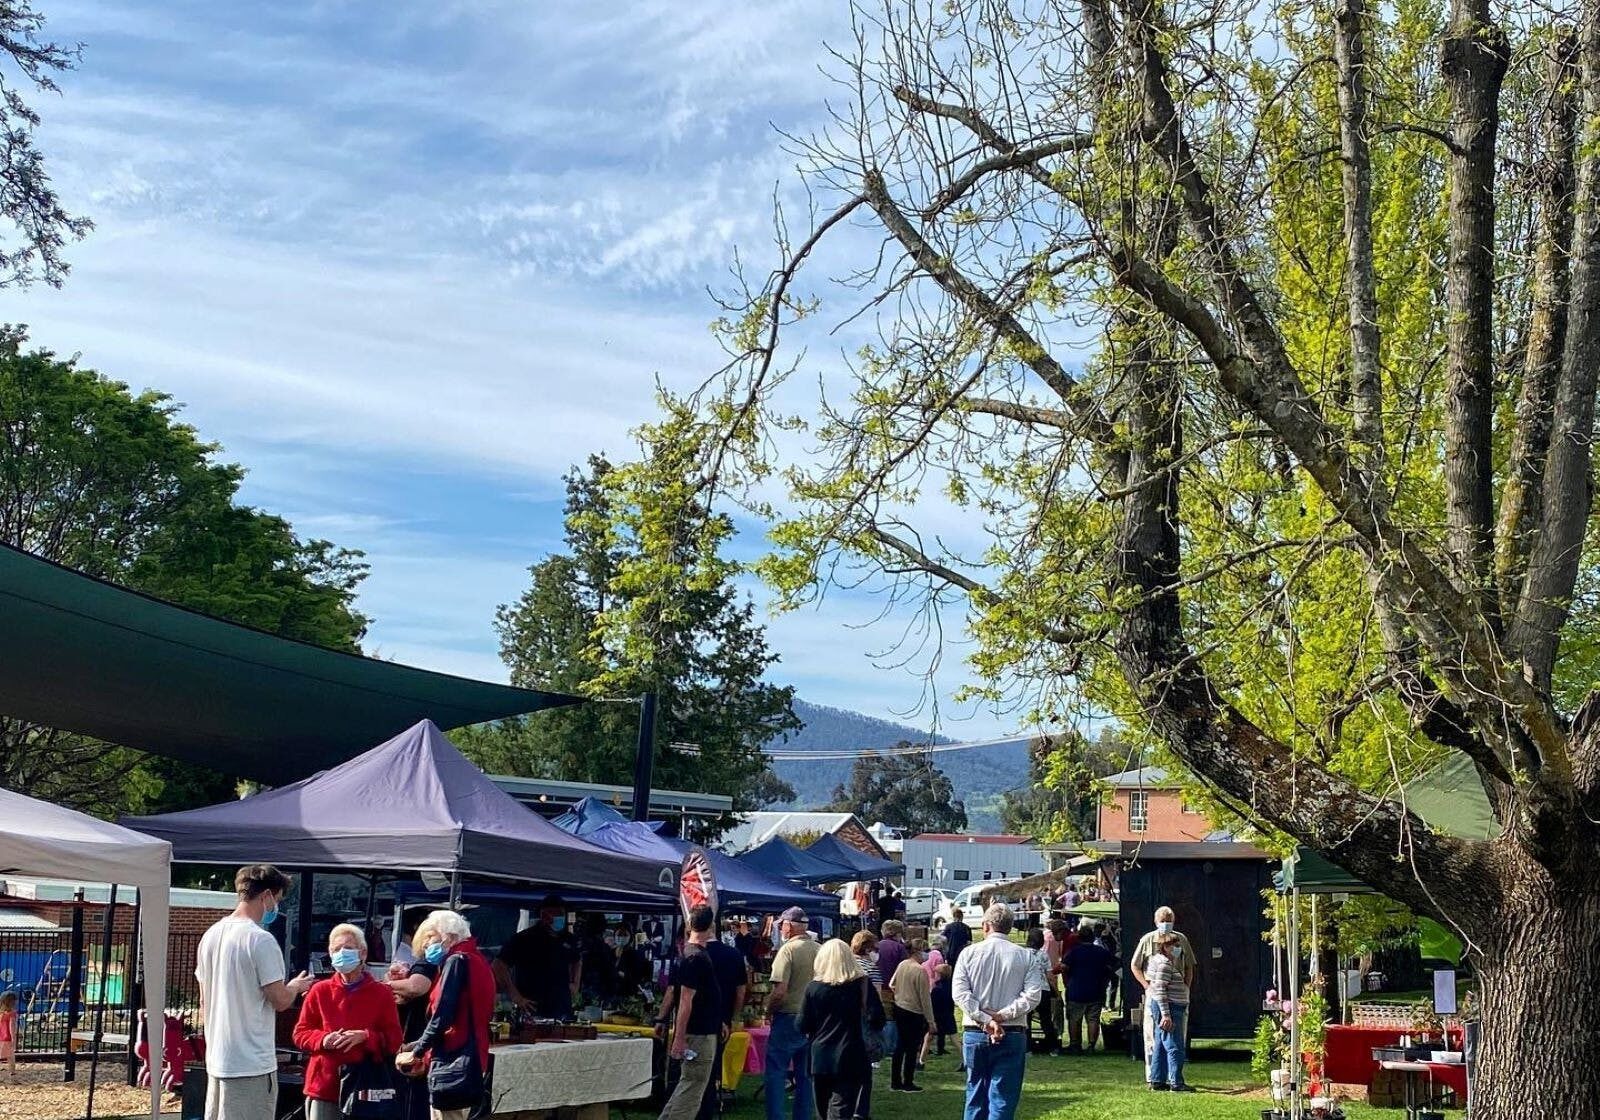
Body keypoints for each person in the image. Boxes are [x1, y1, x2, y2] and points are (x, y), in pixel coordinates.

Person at [196, 864, 313, 1120]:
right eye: (277, 899)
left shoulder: (211, 935)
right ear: (267, 896)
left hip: (218, 1059)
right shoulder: (260, 940)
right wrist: (295, 986)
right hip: (250, 1064)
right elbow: (280, 1000)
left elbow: (203, 1002)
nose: (275, 907)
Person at [294, 924, 403, 1120]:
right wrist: (323, 1039)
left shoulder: (382, 993)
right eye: (336, 949)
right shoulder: (319, 990)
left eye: (348, 948)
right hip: (325, 1086)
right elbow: (301, 1033)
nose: (341, 953)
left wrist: (366, 1037)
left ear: (363, 953)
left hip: (365, 1087)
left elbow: (394, 1039)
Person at [396, 910, 495, 1120]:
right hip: (474, 1055)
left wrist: (418, 1051)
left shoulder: (456, 961)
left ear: (449, 936)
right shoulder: (477, 960)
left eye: (430, 937)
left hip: (454, 1057)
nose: (425, 945)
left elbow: (443, 1015)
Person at [951, 904, 1044, 1120]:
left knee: (975, 1093)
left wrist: (986, 1019)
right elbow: (1032, 996)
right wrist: (1002, 1016)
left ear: (985, 926)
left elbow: (960, 994)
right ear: (1010, 928)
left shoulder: (968, 954)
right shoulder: (1025, 956)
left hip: (975, 1030)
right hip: (1012, 1031)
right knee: (1003, 1098)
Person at [798, 938, 883, 1120]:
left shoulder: (813, 988)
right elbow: (877, 1019)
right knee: (841, 1109)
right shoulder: (862, 986)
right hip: (851, 1053)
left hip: (820, 1056)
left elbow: (802, 1024)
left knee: (823, 1110)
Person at [656, 907, 724, 1120]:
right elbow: (685, 1001)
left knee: (687, 1086)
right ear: (711, 927)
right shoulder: (695, 957)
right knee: (692, 1090)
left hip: (702, 1029)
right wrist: (679, 1038)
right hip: (698, 1034)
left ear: (688, 925)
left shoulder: (690, 954)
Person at [764, 907, 820, 1120]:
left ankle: (776, 1116)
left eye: (781, 925)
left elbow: (779, 991)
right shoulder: (820, 949)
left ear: (788, 926)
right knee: (806, 1075)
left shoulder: (787, 951)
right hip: (813, 1018)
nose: (780, 929)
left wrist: (769, 1011)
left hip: (788, 1016)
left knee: (776, 1072)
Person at [1130, 907, 1196, 1087]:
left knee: (1162, 1039)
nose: (1166, 922)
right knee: (1165, 1039)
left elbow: (1190, 965)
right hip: (1161, 995)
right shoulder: (1151, 945)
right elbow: (1137, 967)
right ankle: (1171, 1080)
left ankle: (1159, 1079)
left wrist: (1186, 988)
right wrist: (1146, 986)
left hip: (1174, 992)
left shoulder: (1180, 939)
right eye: (1163, 919)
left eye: (1169, 919)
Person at [387, 916, 443, 1120]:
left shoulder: (428, 963)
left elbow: (416, 987)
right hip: (422, 1041)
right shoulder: (441, 963)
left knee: (415, 1104)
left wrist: (385, 986)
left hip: (420, 1041)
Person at [698, 913, 750, 1120]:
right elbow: (740, 990)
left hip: (697, 1018)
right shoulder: (733, 955)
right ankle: (708, 1107)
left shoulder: (694, 953)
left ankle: (700, 1110)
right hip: (723, 1019)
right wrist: (735, 1016)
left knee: (694, 1072)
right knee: (712, 1068)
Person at [494, 896, 580, 1020]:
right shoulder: (524, 939)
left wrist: (575, 984)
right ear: (543, 915)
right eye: (557, 914)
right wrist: (515, 996)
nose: (560, 918)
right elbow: (498, 965)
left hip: (561, 1008)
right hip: (532, 1007)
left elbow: (577, 960)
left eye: (562, 914)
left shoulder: (568, 938)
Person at [1145, 933, 1193, 1092]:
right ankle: (1176, 1082)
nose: (1177, 948)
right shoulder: (1165, 964)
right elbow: (1160, 989)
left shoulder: (1157, 961)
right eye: (1174, 945)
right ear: (1165, 947)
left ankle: (1157, 1080)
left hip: (1165, 1006)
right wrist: (1166, 1015)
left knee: (1160, 1043)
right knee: (1174, 1045)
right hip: (1170, 1007)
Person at [888, 940, 934, 1093]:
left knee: (899, 1046)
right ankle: (908, 1082)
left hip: (900, 1008)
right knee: (912, 1048)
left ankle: (895, 1081)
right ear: (918, 951)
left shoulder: (902, 965)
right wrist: (931, 1021)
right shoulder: (919, 970)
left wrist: (900, 995)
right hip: (914, 1012)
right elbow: (925, 998)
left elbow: (891, 984)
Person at [1062, 921, 1115, 1053]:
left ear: (1079, 938)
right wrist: (1105, 978)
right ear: (1092, 937)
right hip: (1096, 990)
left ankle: (1075, 1044)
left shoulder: (1073, 952)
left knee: (1074, 1019)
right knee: (1093, 1020)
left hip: (1076, 991)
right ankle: (1091, 1045)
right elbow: (1113, 966)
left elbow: (1064, 967)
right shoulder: (1101, 952)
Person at [929, 964, 957, 1060]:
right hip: (949, 1014)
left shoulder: (937, 988)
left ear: (940, 974)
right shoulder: (951, 986)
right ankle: (941, 1049)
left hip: (938, 1015)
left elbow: (932, 1003)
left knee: (928, 1037)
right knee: (954, 1038)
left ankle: (921, 1061)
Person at [0, 990, 16, 1083]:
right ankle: (12, 1077)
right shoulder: (11, 1014)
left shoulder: (1, 1013)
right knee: (11, 1059)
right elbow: (12, 1028)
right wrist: (14, 1040)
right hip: (7, 1038)